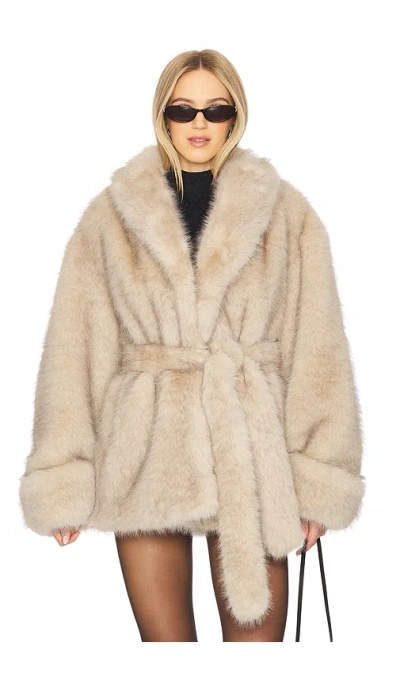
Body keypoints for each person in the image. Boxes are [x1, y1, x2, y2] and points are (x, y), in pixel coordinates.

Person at [18, 49, 365, 642]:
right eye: (183, 110)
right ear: (163, 116)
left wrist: (318, 480)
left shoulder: (286, 215)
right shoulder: (111, 217)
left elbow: (317, 350)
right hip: (146, 452)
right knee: (167, 657)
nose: (199, 123)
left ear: (235, 116)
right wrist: (64, 475)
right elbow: (76, 350)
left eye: (215, 109)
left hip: (251, 453)